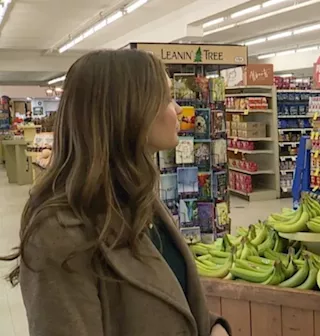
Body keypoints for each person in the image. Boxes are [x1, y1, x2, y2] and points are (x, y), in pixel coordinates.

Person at [1, 50, 231, 336]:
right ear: (129, 111)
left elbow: (172, 299)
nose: (180, 110)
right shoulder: (57, 236)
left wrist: (212, 326)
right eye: (166, 98)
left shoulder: (139, 200)